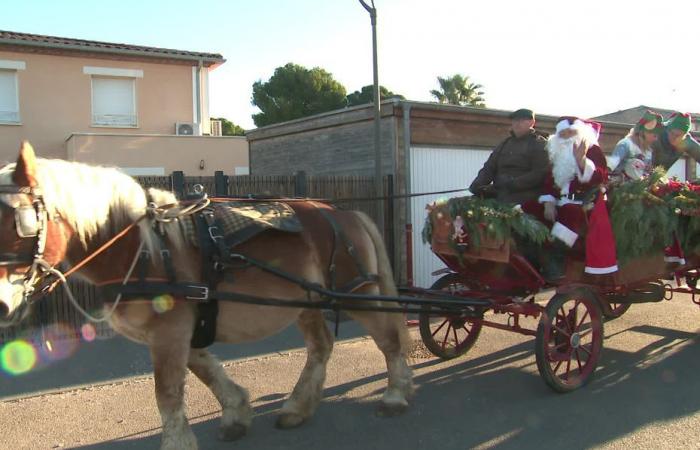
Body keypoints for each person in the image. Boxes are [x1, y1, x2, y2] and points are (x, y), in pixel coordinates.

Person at [537, 117, 612, 279]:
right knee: (530, 208)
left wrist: (581, 160)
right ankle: (531, 259)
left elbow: (600, 177)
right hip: (560, 201)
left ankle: (557, 261)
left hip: (583, 202)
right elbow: (550, 181)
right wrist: (548, 202)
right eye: (563, 134)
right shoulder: (557, 153)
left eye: (571, 133)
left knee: (570, 213)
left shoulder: (592, 150)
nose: (567, 137)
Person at [469, 108, 549, 204]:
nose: (517, 123)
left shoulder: (539, 143)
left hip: (525, 196)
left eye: (522, 120)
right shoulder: (505, 144)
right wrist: (477, 185)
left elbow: (539, 173)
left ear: (532, 122)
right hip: (500, 192)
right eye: (515, 120)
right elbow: (489, 167)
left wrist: (513, 183)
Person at [609, 110, 665, 182]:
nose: (656, 139)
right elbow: (611, 167)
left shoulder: (648, 152)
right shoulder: (625, 144)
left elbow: (645, 174)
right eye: (654, 135)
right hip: (619, 189)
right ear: (644, 133)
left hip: (638, 190)